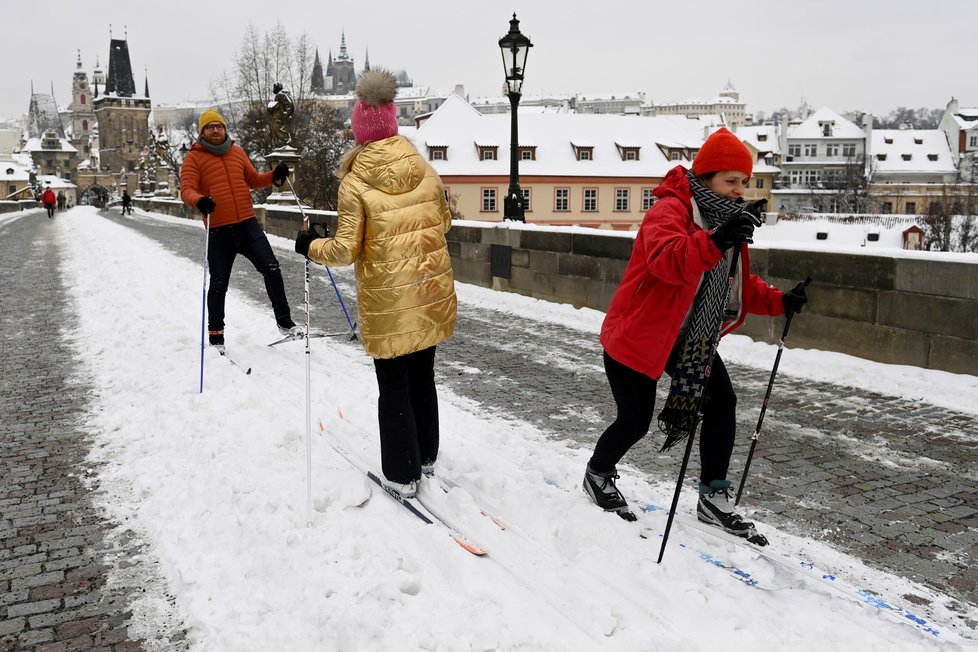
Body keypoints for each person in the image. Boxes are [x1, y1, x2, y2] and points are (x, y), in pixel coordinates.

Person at [582, 127, 809, 538]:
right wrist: (716, 239)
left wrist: (779, 300)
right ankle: (597, 473)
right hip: (639, 334)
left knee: (722, 403)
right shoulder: (669, 211)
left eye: (745, 182)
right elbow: (668, 261)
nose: (741, 190)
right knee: (634, 422)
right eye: (731, 181)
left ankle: (712, 496)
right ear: (705, 179)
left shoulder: (727, 222)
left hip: (690, 338)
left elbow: (733, 282)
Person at [294, 70, 456, 499]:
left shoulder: (356, 181)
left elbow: (346, 251)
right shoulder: (425, 170)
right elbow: (443, 224)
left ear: (360, 131)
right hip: (429, 293)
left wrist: (310, 245)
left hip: (389, 304)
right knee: (423, 376)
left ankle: (402, 476)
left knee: (394, 388)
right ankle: (425, 457)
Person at [180, 107, 298, 348]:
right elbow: (186, 190)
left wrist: (275, 175)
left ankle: (285, 322)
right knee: (219, 283)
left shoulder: (237, 152)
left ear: (225, 128)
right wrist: (199, 200)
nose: (215, 129)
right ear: (202, 131)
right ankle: (216, 337)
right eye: (210, 127)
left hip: (247, 224)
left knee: (272, 268)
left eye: (219, 126)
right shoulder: (194, 157)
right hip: (219, 230)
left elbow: (253, 180)